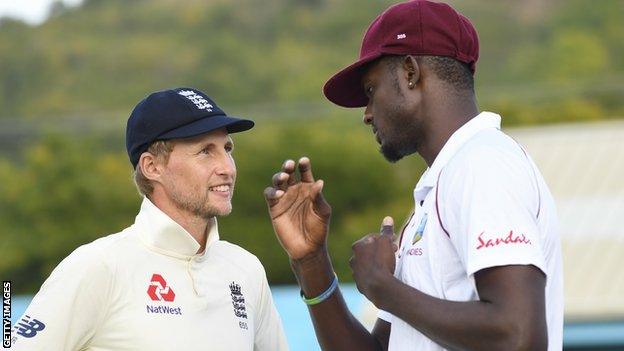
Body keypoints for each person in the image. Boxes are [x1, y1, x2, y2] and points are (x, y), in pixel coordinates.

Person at [264, 1, 563, 350]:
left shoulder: (483, 164)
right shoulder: (438, 189)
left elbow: (519, 335)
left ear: (410, 72)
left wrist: (384, 287)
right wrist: (312, 263)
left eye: (371, 91)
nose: (367, 114)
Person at [12, 87, 288, 350]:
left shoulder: (246, 269)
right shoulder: (98, 266)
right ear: (152, 166)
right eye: (206, 151)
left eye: (227, 149)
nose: (227, 168)